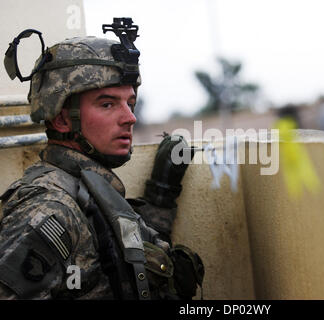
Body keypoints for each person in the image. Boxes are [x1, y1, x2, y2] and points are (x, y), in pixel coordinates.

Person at [0, 18, 203, 300]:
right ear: (61, 119)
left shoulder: (89, 188)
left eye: (130, 103)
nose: (130, 118)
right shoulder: (49, 211)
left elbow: (124, 259)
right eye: (107, 104)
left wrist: (161, 195)